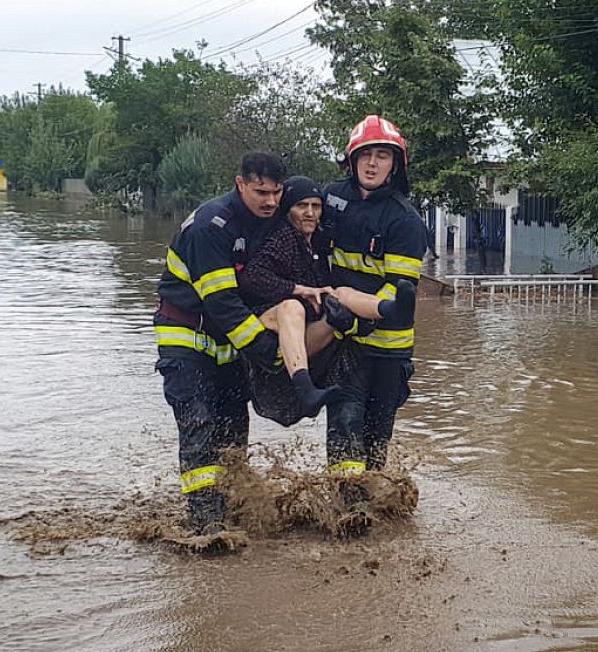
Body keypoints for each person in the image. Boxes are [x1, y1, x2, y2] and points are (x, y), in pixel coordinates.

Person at [154, 152, 286, 537]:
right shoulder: (211, 226)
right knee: (199, 423)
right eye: (261, 192)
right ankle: (205, 525)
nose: (270, 201)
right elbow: (223, 303)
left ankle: (233, 509)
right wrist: (267, 351)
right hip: (186, 338)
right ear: (240, 183)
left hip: (227, 345)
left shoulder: (267, 222)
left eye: (277, 193)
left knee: (233, 429)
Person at [238, 176, 416, 423]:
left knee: (341, 294)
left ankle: (390, 309)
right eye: (302, 206)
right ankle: (305, 389)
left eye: (316, 206)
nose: (310, 213)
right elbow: (251, 278)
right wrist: (297, 289)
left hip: (307, 333)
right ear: (288, 209)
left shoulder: (320, 243)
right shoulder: (281, 239)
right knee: (292, 308)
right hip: (272, 329)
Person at [322, 115, 427, 510]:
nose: (372, 164)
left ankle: (373, 502)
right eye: (365, 155)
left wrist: (357, 310)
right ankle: (348, 511)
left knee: (375, 438)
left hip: (388, 350)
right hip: (342, 344)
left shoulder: (405, 220)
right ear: (351, 160)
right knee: (344, 424)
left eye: (382, 156)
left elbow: (399, 293)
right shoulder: (330, 199)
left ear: (395, 164)